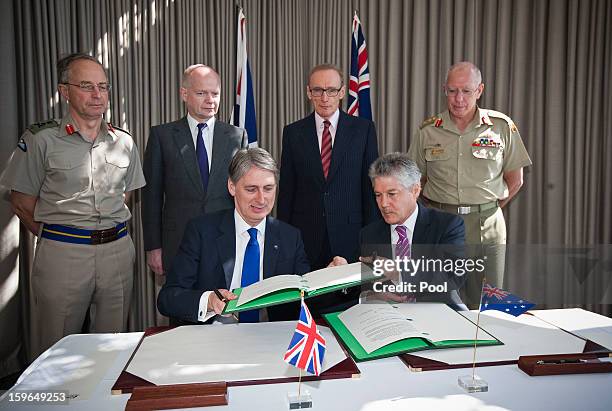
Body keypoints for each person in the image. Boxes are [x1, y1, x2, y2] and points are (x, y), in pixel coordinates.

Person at [0, 52, 146, 357]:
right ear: (64, 91)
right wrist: (61, 236)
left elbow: (124, 195)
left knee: (113, 346)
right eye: (86, 86)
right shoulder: (41, 139)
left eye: (103, 87)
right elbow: (22, 202)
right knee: (57, 350)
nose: (97, 95)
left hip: (117, 252)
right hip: (63, 255)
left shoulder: (124, 141)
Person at [407, 61, 532, 304]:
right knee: (436, 300)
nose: (459, 99)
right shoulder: (428, 130)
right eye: (452, 91)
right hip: (441, 224)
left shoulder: (501, 127)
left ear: (480, 90)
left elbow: (515, 180)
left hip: (486, 227)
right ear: (444, 90)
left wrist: (483, 210)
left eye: (466, 91)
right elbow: (414, 182)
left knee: (485, 304)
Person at [157, 148, 310, 324]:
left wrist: (333, 277)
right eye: (251, 189)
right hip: (214, 338)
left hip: (270, 339)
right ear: (232, 187)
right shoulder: (202, 231)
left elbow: (307, 293)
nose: (261, 199)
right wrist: (209, 301)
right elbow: (168, 298)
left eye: (268, 188)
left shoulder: (290, 237)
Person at [142, 64, 248, 275]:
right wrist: (153, 247)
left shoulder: (237, 136)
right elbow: (151, 197)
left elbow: (244, 192)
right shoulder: (162, 136)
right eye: (201, 93)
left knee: (224, 307)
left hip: (225, 243)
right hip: (178, 243)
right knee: (182, 306)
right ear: (184, 94)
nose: (210, 100)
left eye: (215, 93)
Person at [277, 64, 380, 271]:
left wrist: (371, 241)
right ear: (308, 92)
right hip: (306, 237)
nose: (325, 98)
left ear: (342, 92)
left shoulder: (363, 130)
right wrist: (283, 240)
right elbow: (287, 191)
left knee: (349, 301)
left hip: (350, 236)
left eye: (331, 90)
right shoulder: (293, 133)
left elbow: (370, 190)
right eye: (318, 90)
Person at [331, 153, 466, 308]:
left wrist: (399, 273)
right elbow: (359, 289)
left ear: (415, 190)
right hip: (389, 319)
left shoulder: (447, 225)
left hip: (437, 313)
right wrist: (342, 277)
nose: (383, 204)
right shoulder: (369, 234)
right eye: (378, 195)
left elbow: (454, 275)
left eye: (391, 194)